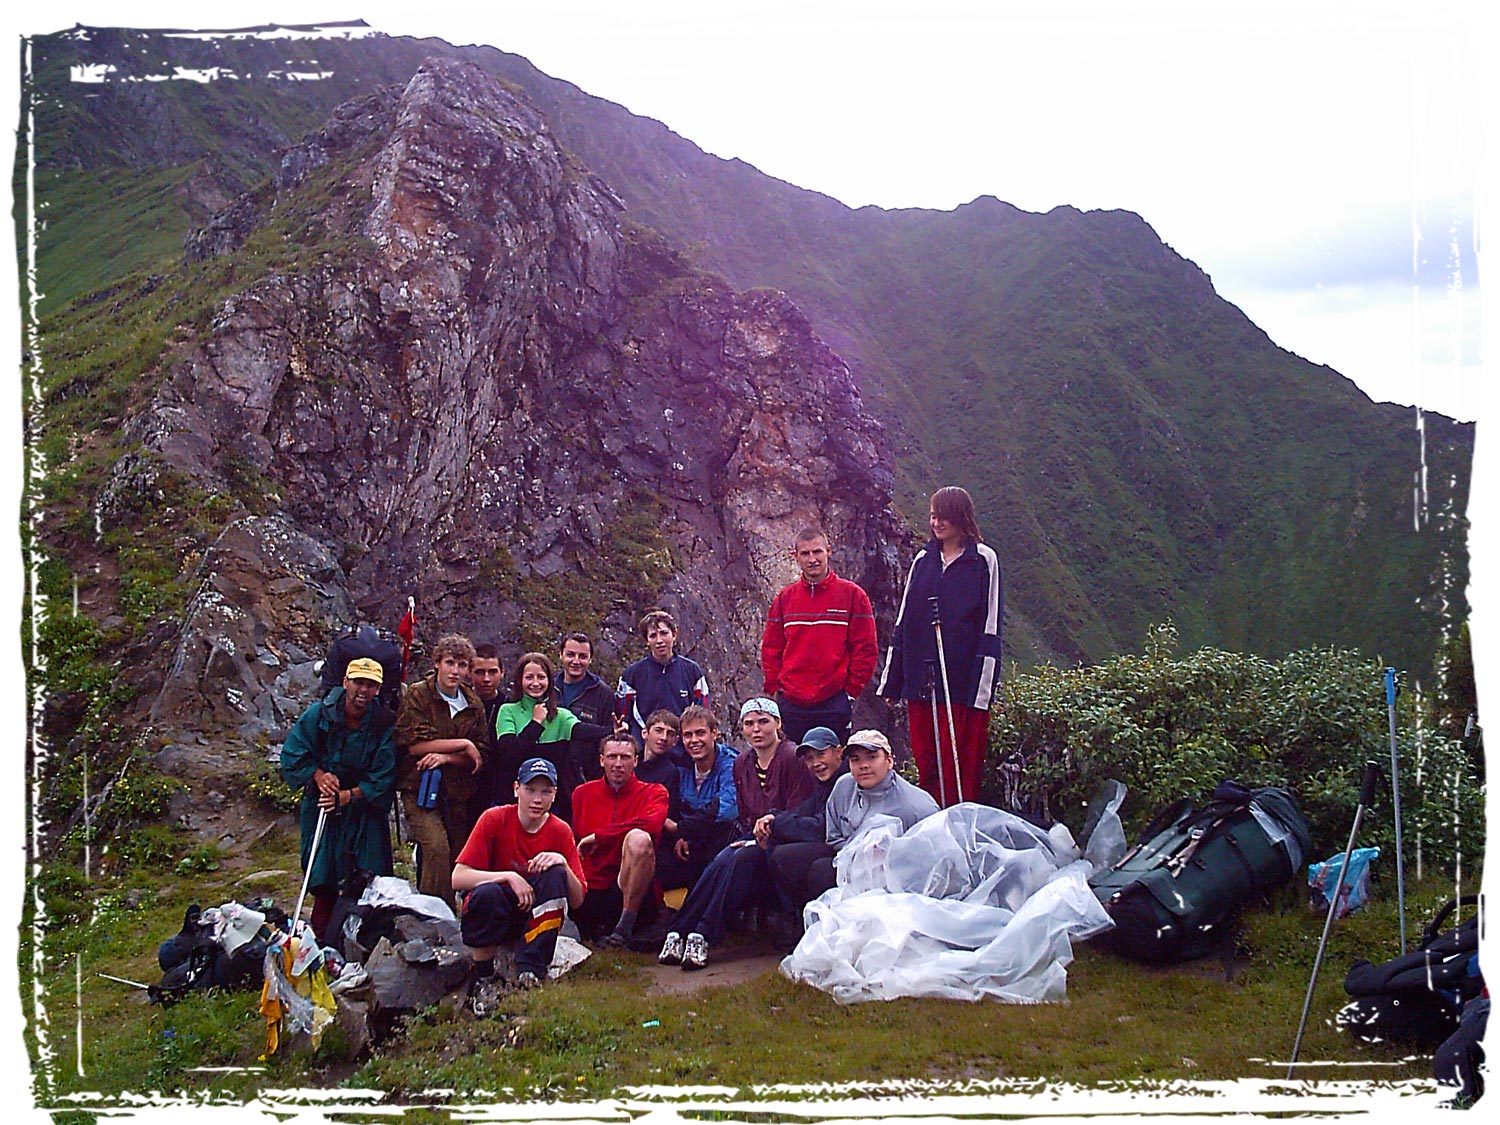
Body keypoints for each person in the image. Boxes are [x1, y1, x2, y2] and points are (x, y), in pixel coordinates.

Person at [655, 702, 816, 970]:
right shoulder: (744, 763)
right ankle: (680, 929)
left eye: (763, 722)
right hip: (752, 837)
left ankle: (704, 934)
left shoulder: (792, 757)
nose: (756, 730)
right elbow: (744, 812)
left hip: (786, 842)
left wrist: (768, 828)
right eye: (750, 724)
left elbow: (801, 809)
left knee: (738, 858)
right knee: (725, 857)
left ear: (778, 724)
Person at [875, 485, 1003, 806]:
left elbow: (990, 627)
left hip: (961, 685)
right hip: (922, 683)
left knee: (960, 767)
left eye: (944, 516)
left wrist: (982, 691)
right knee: (927, 764)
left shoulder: (983, 561)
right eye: (933, 516)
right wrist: (894, 682)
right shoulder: (923, 560)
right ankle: (932, 831)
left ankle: (961, 830)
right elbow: (905, 622)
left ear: (961, 517)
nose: (937, 523)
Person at [452, 758, 586, 1015]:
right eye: (530, 790)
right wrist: (508, 877)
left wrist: (563, 863)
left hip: (532, 914)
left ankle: (531, 970)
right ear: (516, 789)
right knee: (486, 893)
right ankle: (483, 977)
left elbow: (578, 899)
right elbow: (458, 878)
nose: (537, 799)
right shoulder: (494, 818)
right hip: (495, 905)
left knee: (556, 874)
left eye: (545, 792)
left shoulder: (559, 830)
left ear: (554, 795)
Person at [280, 657, 397, 943]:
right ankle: (322, 937)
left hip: (364, 809)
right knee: (323, 870)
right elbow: (293, 756)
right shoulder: (318, 716)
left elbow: (386, 771)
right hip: (322, 804)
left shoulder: (383, 723)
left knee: (371, 870)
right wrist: (318, 775)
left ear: (378, 689)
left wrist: (350, 795)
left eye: (371, 685)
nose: (363, 690)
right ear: (345, 682)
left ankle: (366, 936)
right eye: (358, 682)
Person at [394, 634, 488, 909]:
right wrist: (462, 744)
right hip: (419, 787)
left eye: (462, 665)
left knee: (457, 854)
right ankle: (432, 916)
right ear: (437, 663)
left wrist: (447, 757)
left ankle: (450, 911)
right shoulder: (418, 694)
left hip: (457, 792)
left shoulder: (473, 705)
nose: (455, 671)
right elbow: (413, 744)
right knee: (435, 847)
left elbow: (478, 758)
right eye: (450, 663)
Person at [761, 528, 878, 742]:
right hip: (792, 703)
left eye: (817, 552)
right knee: (795, 768)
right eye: (805, 554)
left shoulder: (853, 595)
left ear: (828, 551)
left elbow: (866, 648)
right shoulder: (784, 599)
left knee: (835, 767)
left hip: (834, 701)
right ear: (795, 556)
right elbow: (771, 647)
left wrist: (850, 691)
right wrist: (775, 688)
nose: (812, 559)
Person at [801, 729, 940, 900]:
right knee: (789, 859)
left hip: (897, 878)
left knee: (821, 872)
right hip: (848, 861)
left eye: (872, 757)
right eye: (855, 760)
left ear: (889, 761)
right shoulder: (844, 786)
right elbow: (833, 836)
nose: (863, 765)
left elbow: (932, 860)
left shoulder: (916, 806)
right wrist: (858, 854)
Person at [569, 731, 670, 948]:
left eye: (624, 757)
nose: (618, 764)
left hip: (631, 887)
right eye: (612, 757)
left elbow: (652, 825)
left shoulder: (654, 793)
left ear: (635, 761)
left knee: (639, 839)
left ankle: (623, 930)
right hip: (591, 888)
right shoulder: (581, 794)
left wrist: (600, 837)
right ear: (601, 760)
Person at [493, 652, 619, 822]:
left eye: (541, 677)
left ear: (549, 681)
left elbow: (582, 731)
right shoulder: (507, 710)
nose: (535, 683)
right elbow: (511, 754)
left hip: (552, 802)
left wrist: (612, 731)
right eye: (529, 677)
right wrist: (536, 723)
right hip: (513, 798)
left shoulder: (560, 715)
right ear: (520, 680)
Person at [763, 726, 850, 922]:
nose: (815, 763)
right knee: (774, 843)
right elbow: (804, 811)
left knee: (784, 856)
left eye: (821, 754)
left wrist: (777, 822)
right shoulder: (824, 784)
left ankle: (798, 918)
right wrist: (772, 818)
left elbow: (822, 827)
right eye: (809, 759)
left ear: (838, 752)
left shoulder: (845, 781)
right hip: (833, 844)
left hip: (844, 847)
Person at [656, 704, 738, 894]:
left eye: (700, 733)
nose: (694, 741)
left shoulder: (730, 764)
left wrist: (683, 830)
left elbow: (727, 808)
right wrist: (679, 835)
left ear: (714, 733)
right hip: (686, 842)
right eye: (688, 735)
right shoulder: (680, 765)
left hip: (719, 838)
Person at [616, 609, 708, 739]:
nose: (659, 640)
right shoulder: (631, 675)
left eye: (664, 633)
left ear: (674, 634)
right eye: (653, 636)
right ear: (647, 640)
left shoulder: (693, 671)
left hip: (682, 750)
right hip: (644, 749)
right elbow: (623, 716)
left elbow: (702, 715)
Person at [554, 632, 616, 789]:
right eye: (570, 655)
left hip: (585, 777)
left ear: (590, 659)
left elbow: (606, 739)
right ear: (561, 655)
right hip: (551, 773)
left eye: (582, 656)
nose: (576, 661)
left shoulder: (603, 693)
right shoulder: (548, 689)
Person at [469, 642, 506, 806]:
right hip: (463, 785)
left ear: (502, 673)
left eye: (492, 672)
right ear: (469, 672)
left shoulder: (509, 706)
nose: (486, 679)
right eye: (479, 672)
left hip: (496, 789)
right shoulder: (459, 702)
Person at [635, 709, 682, 790]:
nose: (664, 737)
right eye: (658, 731)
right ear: (645, 733)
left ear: (675, 741)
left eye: (670, 734)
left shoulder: (670, 773)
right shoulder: (631, 762)